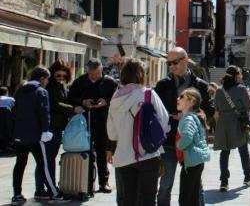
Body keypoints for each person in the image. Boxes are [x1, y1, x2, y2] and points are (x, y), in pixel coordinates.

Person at [107, 58, 170, 206]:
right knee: (148, 199)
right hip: (148, 154)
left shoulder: (115, 99)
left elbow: (111, 133)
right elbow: (164, 122)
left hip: (123, 156)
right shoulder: (148, 94)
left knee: (129, 199)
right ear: (141, 74)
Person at [155, 47, 212, 206]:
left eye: (175, 62)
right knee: (166, 184)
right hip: (169, 141)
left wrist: (195, 115)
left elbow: (209, 109)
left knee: (195, 185)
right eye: (169, 63)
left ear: (185, 60)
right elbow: (155, 112)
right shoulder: (162, 85)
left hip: (192, 143)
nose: (171, 66)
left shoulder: (200, 85)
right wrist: (172, 116)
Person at [12, 66, 67, 204]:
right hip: (37, 136)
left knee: (20, 164)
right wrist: (45, 130)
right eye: (47, 79)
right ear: (42, 79)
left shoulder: (20, 90)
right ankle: (55, 193)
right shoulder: (41, 91)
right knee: (44, 165)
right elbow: (44, 113)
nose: (47, 82)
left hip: (20, 134)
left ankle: (17, 194)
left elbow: (14, 112)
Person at [69, 58, 118, 195]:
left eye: (97, 73)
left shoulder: (110, 82)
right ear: (87, 71)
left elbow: (117, 99)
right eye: (92, 74)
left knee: (102, 153)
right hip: (85, 122)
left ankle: (104, 182)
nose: (94, 76)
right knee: (87, 152)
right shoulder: (80, 82)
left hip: (103, 121)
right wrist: (82, 101)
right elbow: (70, 97)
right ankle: (87, 182)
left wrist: (106, 101)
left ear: (101, 70)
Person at [35, 61, 82, 201]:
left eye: (63, 75)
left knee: (47, 160)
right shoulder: (50, 87)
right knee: (47, 160)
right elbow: (56, 104)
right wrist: (73, 109)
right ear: (52, 74)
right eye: (58, 75)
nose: (61, 77)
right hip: (50, 129)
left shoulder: (62, 86)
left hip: (56, 128)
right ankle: (49, 189)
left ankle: (42, 189)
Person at [213, 66, 250, 192]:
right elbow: (248, 106)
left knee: (224, 153)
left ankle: (224, 182)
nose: (241, 76)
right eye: (240, 74)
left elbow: (216, 108)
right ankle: (248, 176)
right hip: (237, 122)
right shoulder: (241, 89)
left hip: (223, 124)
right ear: (236, 75)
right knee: (243, 149)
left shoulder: (219, 91)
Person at [176, 88, 211, 206]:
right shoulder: (192, 117)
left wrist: (178, 145)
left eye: (181, 97)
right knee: (193, 196)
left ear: (192, 102)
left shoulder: (188, 119)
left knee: (185, 198)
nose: (178, 99)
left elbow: (187, 137)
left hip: (191, 162)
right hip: (195, 161)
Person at [0, 86, 15, 153]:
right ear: (7, 92)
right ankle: (7, 146)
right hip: (7, 117)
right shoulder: (11, 99)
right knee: (8, 130)